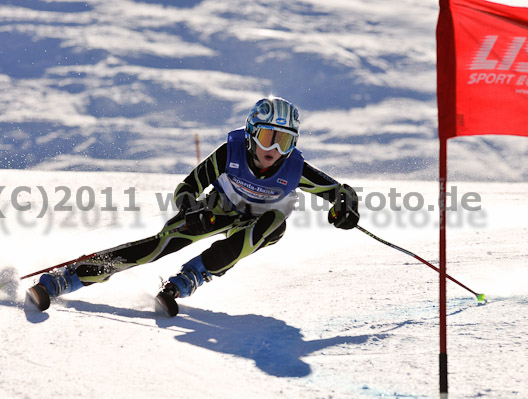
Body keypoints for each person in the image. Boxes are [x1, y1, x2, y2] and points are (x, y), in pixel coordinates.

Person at [27, 96, 360, 316]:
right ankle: (66, 279)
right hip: (218, 212)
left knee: (274, 222)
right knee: (156, 247)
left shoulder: (293, 169)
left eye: (284, 140)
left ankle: (192, 277)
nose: (273, 148)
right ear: (251, 133)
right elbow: (189, 187)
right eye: (267, 137)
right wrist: (190, 210)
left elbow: (338, 193)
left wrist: (344, 208)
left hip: (258, 226)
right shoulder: (230, 154)